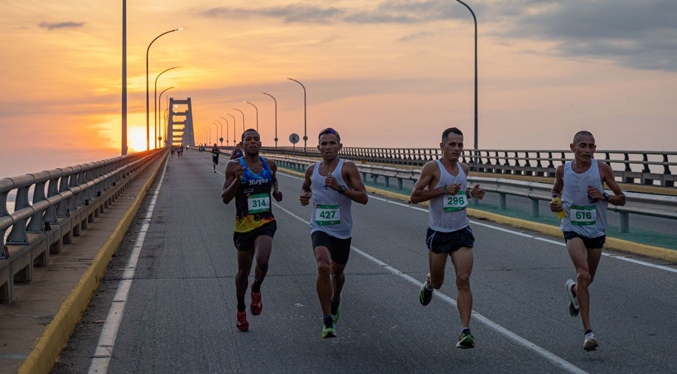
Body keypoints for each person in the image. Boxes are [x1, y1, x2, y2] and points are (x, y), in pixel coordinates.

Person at [550, 130, 625, 351]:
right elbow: (555, 192)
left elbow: (622, 198)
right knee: (583, 273)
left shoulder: (601, 169)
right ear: (572, 148)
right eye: (583, 146)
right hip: (572, 228)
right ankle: (588, 333)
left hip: (596, 230)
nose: (588, 150)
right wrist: (555, 204)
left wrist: (604, 196)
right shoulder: (562, 171)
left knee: (587, 279)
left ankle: (574, 291)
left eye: (592, 146)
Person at [410, 127, 485, 349]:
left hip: (461, 231)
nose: (457, 149)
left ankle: (465, 331)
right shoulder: (432, 168)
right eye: (452, 144)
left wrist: (472, 193)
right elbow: (414, 196)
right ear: (442, 146)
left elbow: (459, 193)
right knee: (439, 281)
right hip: (438, 233)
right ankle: (429, 284)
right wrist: (442, 190)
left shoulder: (464, 168)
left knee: (463, 279)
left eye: (460, 145)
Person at [299, 128, 368, 338]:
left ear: (340, 146)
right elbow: (306, 187)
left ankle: (336, 297)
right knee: (323, 266)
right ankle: (327, 319)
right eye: (324, 144)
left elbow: (363, 197)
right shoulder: (312, 170)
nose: (328, 147)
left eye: (332, 143)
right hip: (319, 226)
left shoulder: (347, 168)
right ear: (318, 147)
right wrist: (304, 196)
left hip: (342, 230)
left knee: (337, 274)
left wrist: (340, 189)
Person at [222, 129, 283, 332]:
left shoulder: (269, 165)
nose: (253, 142)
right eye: (248, 139)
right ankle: (241, 309)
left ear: (260, 143)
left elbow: (273, 179)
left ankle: (256, 288)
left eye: (256, 139)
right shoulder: (234, 166)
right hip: (243, 225)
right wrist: (238, 181)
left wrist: (276, 191)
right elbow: (225, 198)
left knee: (263, 259)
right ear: (242, 144)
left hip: (265, 222)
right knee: (243, 271)